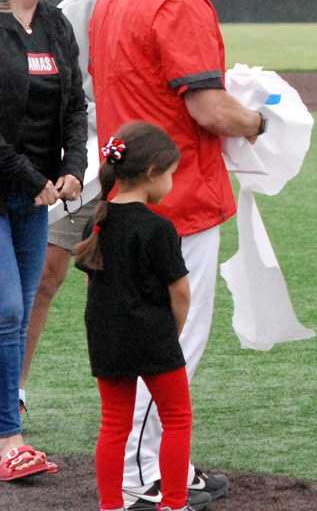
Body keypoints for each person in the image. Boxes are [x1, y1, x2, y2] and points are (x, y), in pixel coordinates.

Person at [89, 0, 265, 510]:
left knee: (147, 345)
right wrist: (260, 122)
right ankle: (145, 478)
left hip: (123, 199)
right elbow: (209, 108)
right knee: (167, 349)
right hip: (175, 201)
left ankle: (167, 465)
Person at [19, 0, 157, 415]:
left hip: (142, 171)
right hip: (84, 162)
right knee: (44, 277)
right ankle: (13, 392)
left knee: (140, 286)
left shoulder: (166, 6)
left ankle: (142, 414)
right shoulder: (72, 14)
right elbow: (65, 100)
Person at [75, 122, 209, 511]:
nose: (171, 182)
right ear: (152, 172)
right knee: (177, 418)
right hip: (154, 337)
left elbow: (93, 289)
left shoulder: (97, 220)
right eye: (171, 174)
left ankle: (112, 505)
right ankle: (175, 502)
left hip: (107, 338)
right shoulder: (159, 228)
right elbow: (180, 292)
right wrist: (174, 332)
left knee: (114, 425)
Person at [0, 0, 86, 480]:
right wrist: (38, 182)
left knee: (18, 310)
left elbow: (76, 104)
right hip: (20, 187)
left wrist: (73, 168)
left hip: (35, 194)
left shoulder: (55, 23)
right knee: (7, 310)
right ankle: (10, 438)